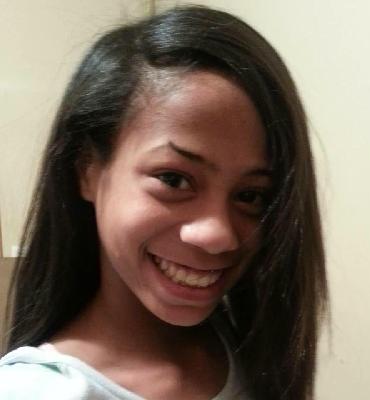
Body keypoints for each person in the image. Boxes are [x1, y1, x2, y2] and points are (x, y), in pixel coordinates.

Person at [0, 5, 327, 400]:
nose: (217, 235)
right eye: (173, 179)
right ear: (87, 169)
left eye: (250, 196)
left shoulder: (246, 350)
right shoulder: (36, 391)